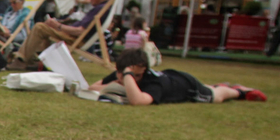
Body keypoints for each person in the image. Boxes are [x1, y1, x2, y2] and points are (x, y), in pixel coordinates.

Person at [89, 48, 267, 105]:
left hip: (186, 86)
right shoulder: (122, 74)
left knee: (216, 95)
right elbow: (92, 87)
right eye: (128, 74)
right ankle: (221, 84)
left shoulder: (151, 83)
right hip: (172, 77)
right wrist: (116, 82)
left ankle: (240, 91)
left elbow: (138, 101)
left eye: (136, 76)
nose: (132, 79)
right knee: (213, 88)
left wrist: (126, 78)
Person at [11, 0, 112, 70]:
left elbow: (80, 31)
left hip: (76, 38)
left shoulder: (100, 9)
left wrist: (59, 26)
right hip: (74, 36)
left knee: (39, 27)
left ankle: (22, 59)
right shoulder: (101, 8)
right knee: (44, 27)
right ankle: (36, 60)